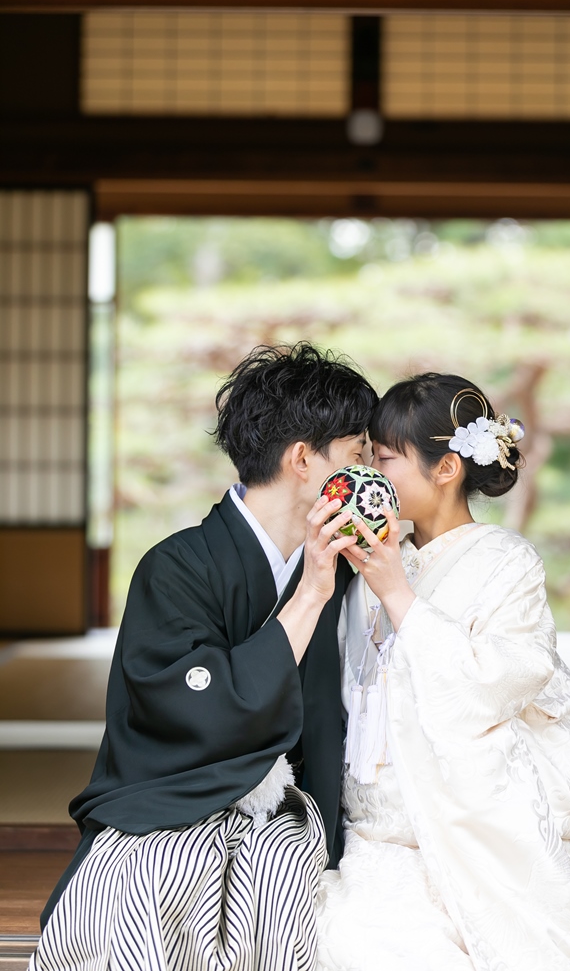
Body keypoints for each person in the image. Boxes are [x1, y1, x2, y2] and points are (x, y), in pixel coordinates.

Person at [31, 342, 378, 971]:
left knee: (289, 881)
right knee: (145, 885)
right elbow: (192, 707)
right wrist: (310, 595)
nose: (368, 475)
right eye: (358, 455)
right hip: (173, 798)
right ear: (304, 460)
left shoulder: (347, 567)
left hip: (295, 808)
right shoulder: (175, 567)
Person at [316, 372, 570, 971]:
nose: (369, 474)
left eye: (383, 459)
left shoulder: (507, 563)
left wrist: (398, 593)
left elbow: (492, 686)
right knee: (343, 936)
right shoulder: (373, 558)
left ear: (445, 468)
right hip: (374, 832)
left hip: (465, 828)